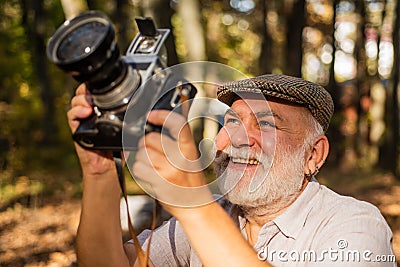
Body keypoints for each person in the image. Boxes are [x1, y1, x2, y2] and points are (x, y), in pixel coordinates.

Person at [68, 74, 396, 267]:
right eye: (232, 122)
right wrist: (101, 174)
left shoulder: (356, 225)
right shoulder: (219, 215)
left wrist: (193, 207)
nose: (237, 139)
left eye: (266, 124)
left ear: (314, 154)